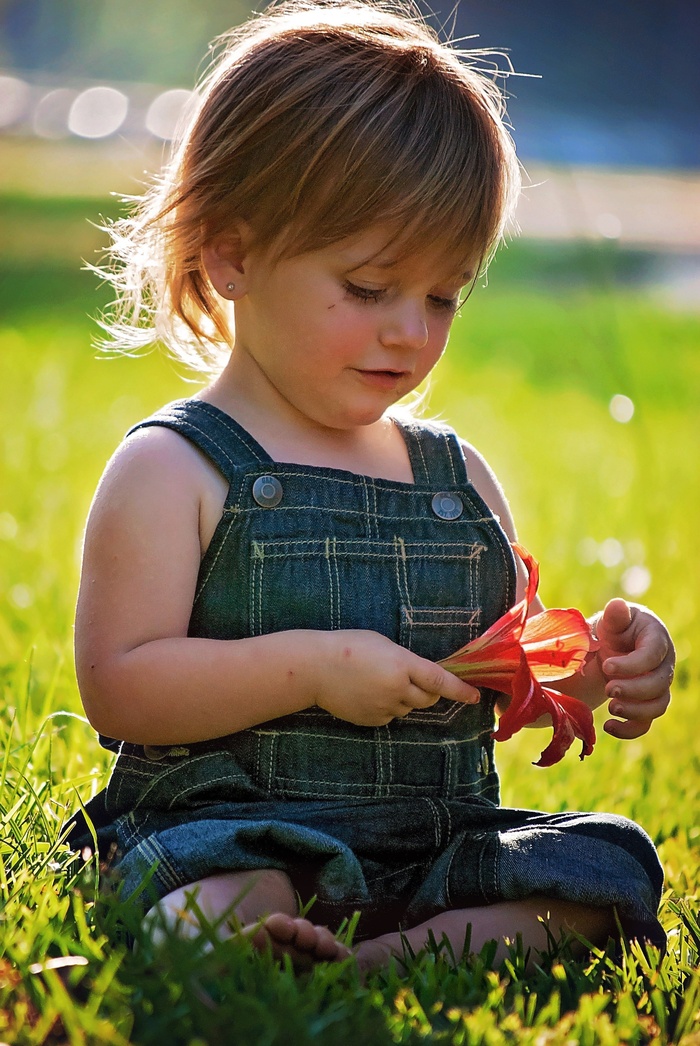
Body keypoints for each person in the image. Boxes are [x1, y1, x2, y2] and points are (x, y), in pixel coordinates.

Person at [70, 0, 674, 973]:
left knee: (608, 864)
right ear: (232, 254)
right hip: (237, 830)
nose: (411, 331)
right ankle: (255, 940)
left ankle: (378, 959)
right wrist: (313, 667)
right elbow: (121, 687)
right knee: (217, 885)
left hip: (432, 840)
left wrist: (596, 669)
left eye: (443, 295)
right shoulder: (175, 467)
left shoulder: (454, 478)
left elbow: (500, 675)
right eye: (367, 287)